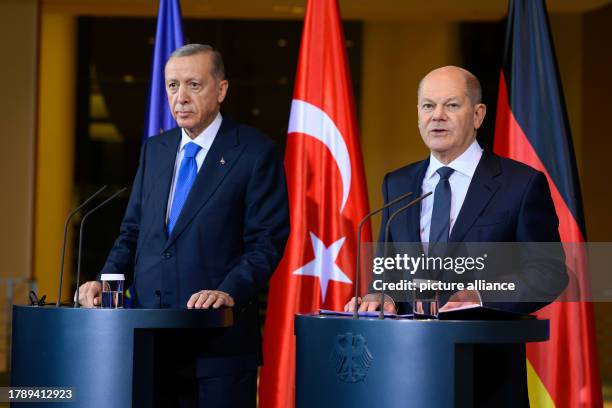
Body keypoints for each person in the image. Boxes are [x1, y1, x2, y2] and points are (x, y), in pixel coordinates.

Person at [77, 44, 290, 407]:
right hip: (147, 346)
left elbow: (266, 242)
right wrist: (106, 279)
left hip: (216, 349)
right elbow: (133, 233)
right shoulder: (155, 150)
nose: (181, 97)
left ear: (221, 90)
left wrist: (228, 293)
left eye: (194, 84)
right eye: (173, 86)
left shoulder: (255, 152)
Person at [345, 66, 567, 407]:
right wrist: (382, 296)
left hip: (486, 377)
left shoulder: (520, 184)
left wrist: (480, 293)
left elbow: (549, 273)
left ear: (478, 114)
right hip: (404, 373)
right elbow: (388, 270)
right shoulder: (398, 184)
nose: (437, 116)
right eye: (427, 106)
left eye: (451, 105)